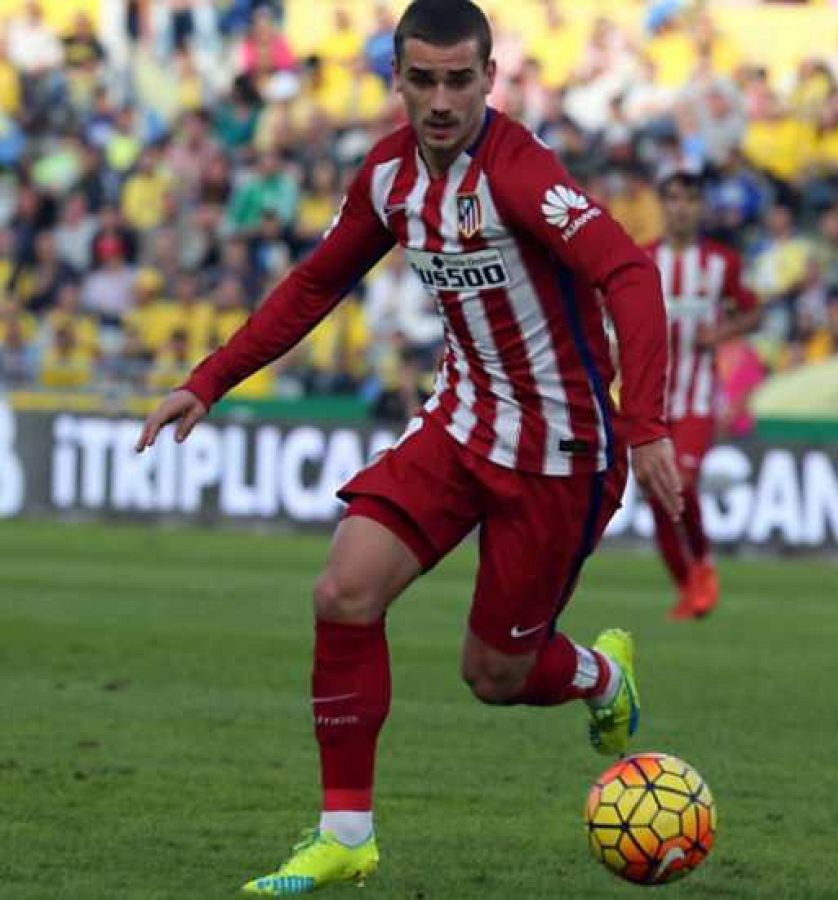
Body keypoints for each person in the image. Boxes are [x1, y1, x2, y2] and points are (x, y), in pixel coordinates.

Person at [134, 1, 682, 893]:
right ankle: (346, 834)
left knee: (495, 675)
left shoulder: (519, 174)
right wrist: (208, 380)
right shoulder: (389, 178)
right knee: (344, 591)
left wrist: (646, 422)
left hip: (560, 453)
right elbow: (316, 282)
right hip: (460, 422)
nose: (439, 100)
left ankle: (599, 674)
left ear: (489, 80)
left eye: (458, 80)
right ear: (397, 79)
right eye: (421, 79)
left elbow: (629, 272)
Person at [642, 171, 761, 619]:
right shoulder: (643, 258)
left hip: (695, 397)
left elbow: (752, 312)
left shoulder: (721, 263)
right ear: (663, 204)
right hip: (649, 399)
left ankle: (704, 567)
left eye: (690, 199)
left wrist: (725, 331)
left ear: (700, 207)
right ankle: (688, 584)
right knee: (656, 494)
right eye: (673, 198)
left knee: (682, 483)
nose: (681, 207)